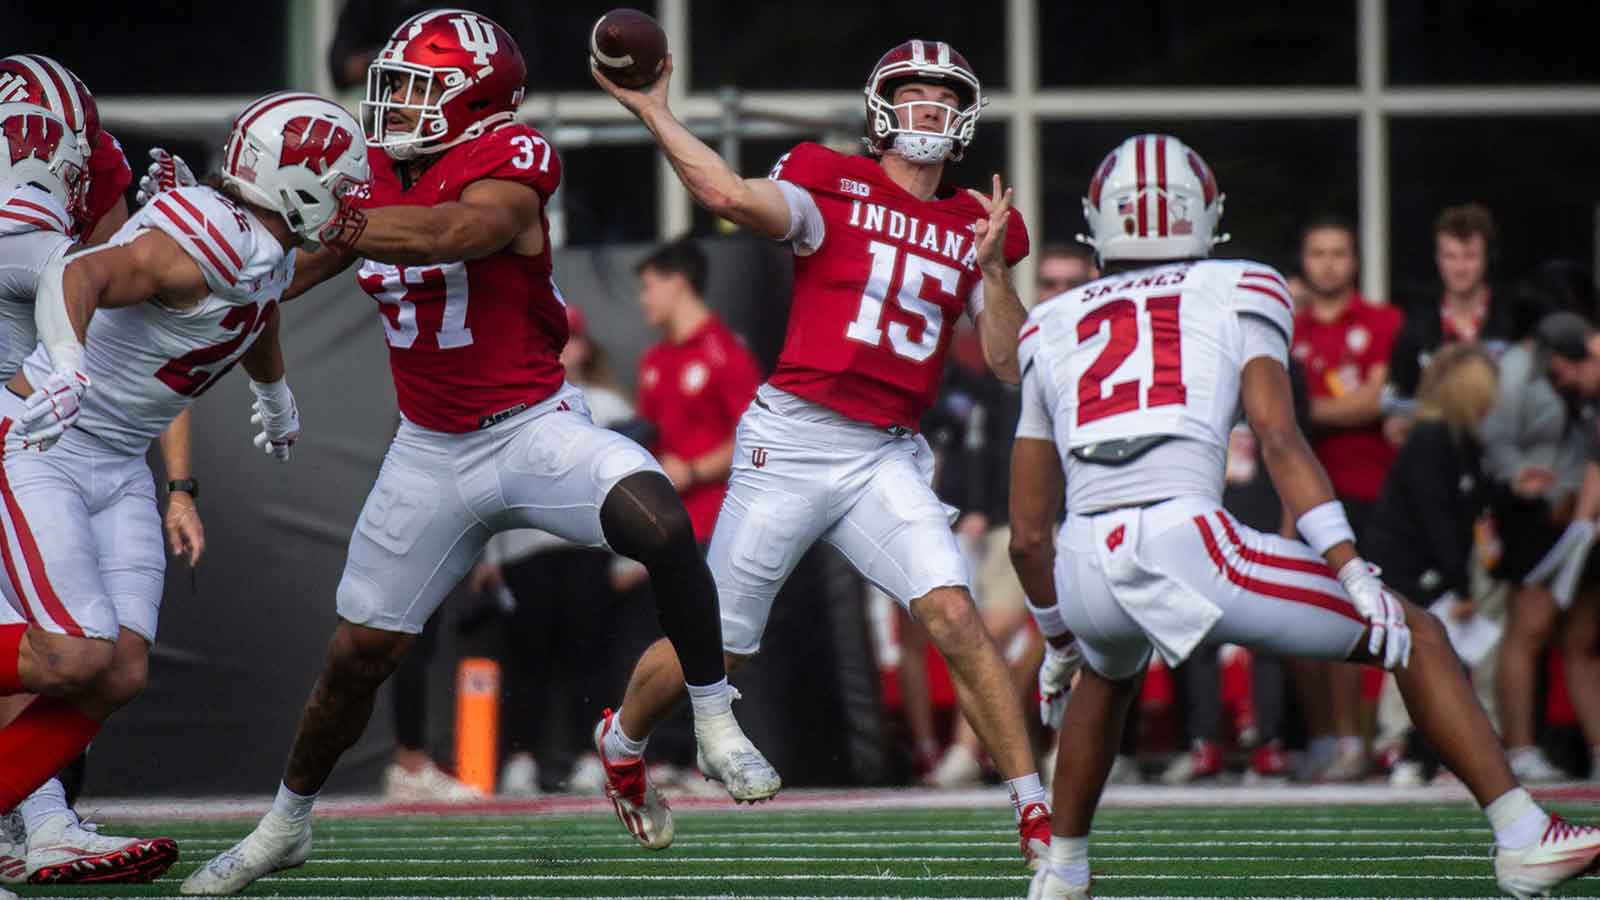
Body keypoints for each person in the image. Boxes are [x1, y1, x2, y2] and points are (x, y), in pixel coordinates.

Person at [181, 11, 766, 893]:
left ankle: (716, 723)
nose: (395, 107)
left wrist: (332, 220)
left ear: (479, 103)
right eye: (396, 85)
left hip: (534, 429)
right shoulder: (367, 174)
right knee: (353, 661)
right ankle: (286, 823)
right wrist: (209, 257)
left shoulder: (512, 158)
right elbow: (285, 272)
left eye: (420, 89)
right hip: (428, 451)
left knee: (660, 520)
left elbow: (454, 233)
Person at [1012, 133, 1600, 900]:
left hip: (1082, 555)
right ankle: (1524, 837)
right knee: (1415, 633)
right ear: (1204, 215)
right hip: (1184, 539)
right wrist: (1350, 567)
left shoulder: (1046, 323)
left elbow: (1027, 530)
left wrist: (1057, 636)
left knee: (1103, 672)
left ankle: (1063, 870)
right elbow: (1280, 434)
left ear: (1101, 221)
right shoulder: (1241, 282)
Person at [593, 38, 1053, 864]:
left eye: (945, 97)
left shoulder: (979, 224)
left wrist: (996, 272)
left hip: (888, 452)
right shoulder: (828, 177)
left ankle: (1035, 815)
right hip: (797, 436)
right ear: (880, 109)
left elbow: (1008, 359)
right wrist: (656, 110)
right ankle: (622, 743)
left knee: (952, 612)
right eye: (914, 93)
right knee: (724, 642)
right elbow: (729, 195)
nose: (931, 110)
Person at [0, 90, 358, 884]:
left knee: (119, 669)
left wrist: (274, 394)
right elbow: (80, 273)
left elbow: (260, 309)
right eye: (342, 177)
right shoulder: (212, 235)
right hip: (47, 442)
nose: (351, 194)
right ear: (297, 181)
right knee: (71, 653)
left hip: (119, 461)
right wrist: (64, 365)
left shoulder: (258, 250)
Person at [0, 52, 208, 882]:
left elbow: (140, 345)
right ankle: (41, 821)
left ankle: (40, 820)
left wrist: (180, 482)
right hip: (27, 424)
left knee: (106, 657)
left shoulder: (91, 192)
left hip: (68, 430)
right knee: (60, 643)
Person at [1288, 215, 1403, 781]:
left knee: (1381, 620)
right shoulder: (1289, 327)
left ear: (1354, 261)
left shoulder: (1384, 321)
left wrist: (1304, 414)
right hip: (1306, 497)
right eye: (1318, 252)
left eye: (1339, 252)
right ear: (1304, 260)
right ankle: (1333, 742)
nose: (1328, 263)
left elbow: (1374, 403)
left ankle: (1383, 741)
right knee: (1312, 622)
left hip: (1376, 494)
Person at [1364, 344, 1502, 783]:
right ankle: (1407, 749)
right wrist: (1458, 587)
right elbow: (1437, 518)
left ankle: (1435, 752)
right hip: (1412, 570)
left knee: (1442, 662)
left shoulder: (1461, 441)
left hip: (1434, 569)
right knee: (1424, 659)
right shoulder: (1432, 439)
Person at [1489, 311, 1600, 784]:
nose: (1561, 384)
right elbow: (1497, 443)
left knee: (1584, 639)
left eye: (1561, 373)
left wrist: (1580, 518)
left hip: (1578, 517)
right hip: (1544, 516)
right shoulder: (1524, 371)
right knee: (1530, 626)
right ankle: (1517, 749)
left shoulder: (1584, 379)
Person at [1386, 203, 1514, 431]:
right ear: (1438, 260)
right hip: (1437, 452)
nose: (1459, 267)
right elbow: (1396, 412)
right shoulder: (1415, 327)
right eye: (1450, 256)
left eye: (1469, 256)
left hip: (1503, 450)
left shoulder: (1514, 318)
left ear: (1487, 258)